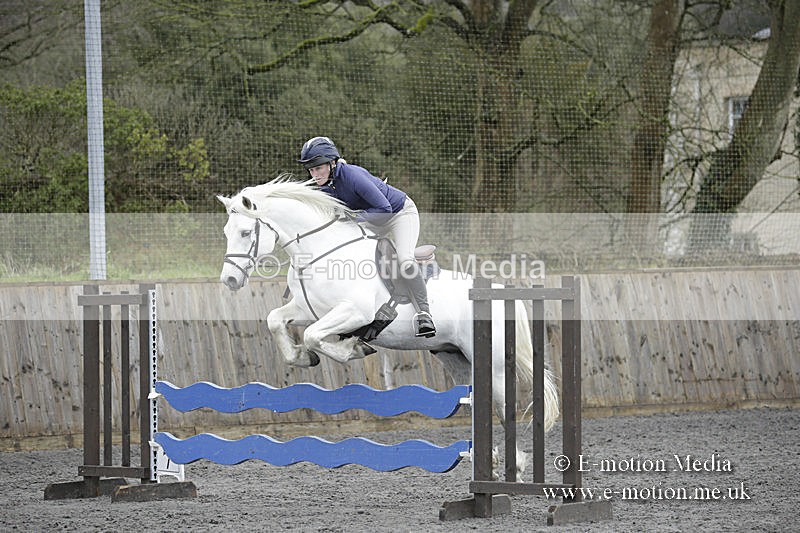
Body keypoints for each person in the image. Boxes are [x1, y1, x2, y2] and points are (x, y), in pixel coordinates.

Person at [298, 136, 436, 337]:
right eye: (311, 170)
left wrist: (354, 218)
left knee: (405, 259)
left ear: (332, 163)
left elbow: (384, 208)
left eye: (318, 168)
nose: (314, 174)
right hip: (372, 218)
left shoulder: (352, 176)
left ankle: (425, 314)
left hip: (398, 213)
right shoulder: (325, 186)